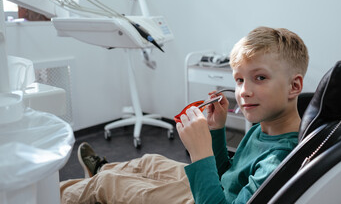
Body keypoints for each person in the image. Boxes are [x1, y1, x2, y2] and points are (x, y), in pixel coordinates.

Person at [60, 26, 309, 204]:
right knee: (148, 161)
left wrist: (200, 152)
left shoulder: (278, 159)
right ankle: (100, 170)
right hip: (216, 189)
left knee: (109, 185)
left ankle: (49, 195)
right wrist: (216, 130)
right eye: (240, 80)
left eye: (260, 78)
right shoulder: (262, 126)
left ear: (294, 86)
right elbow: (228, 174)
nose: (244, 92)